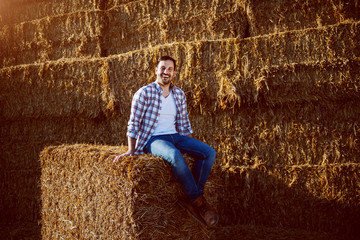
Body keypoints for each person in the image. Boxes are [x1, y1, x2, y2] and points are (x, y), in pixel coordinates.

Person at [114, 56, 218, 226]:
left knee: (208, 153)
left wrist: (192, 148)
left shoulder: (179, 94)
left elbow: (184, 123)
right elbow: (133, 122)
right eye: (162, 68)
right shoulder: (144, 93)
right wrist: (131, 149)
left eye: (169, 69)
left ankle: (191, 197)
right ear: (156, 70)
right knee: (175, 156)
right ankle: (198, 202)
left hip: (176, 136)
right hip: (153, 139)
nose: (166, 72)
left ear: (174, 73)